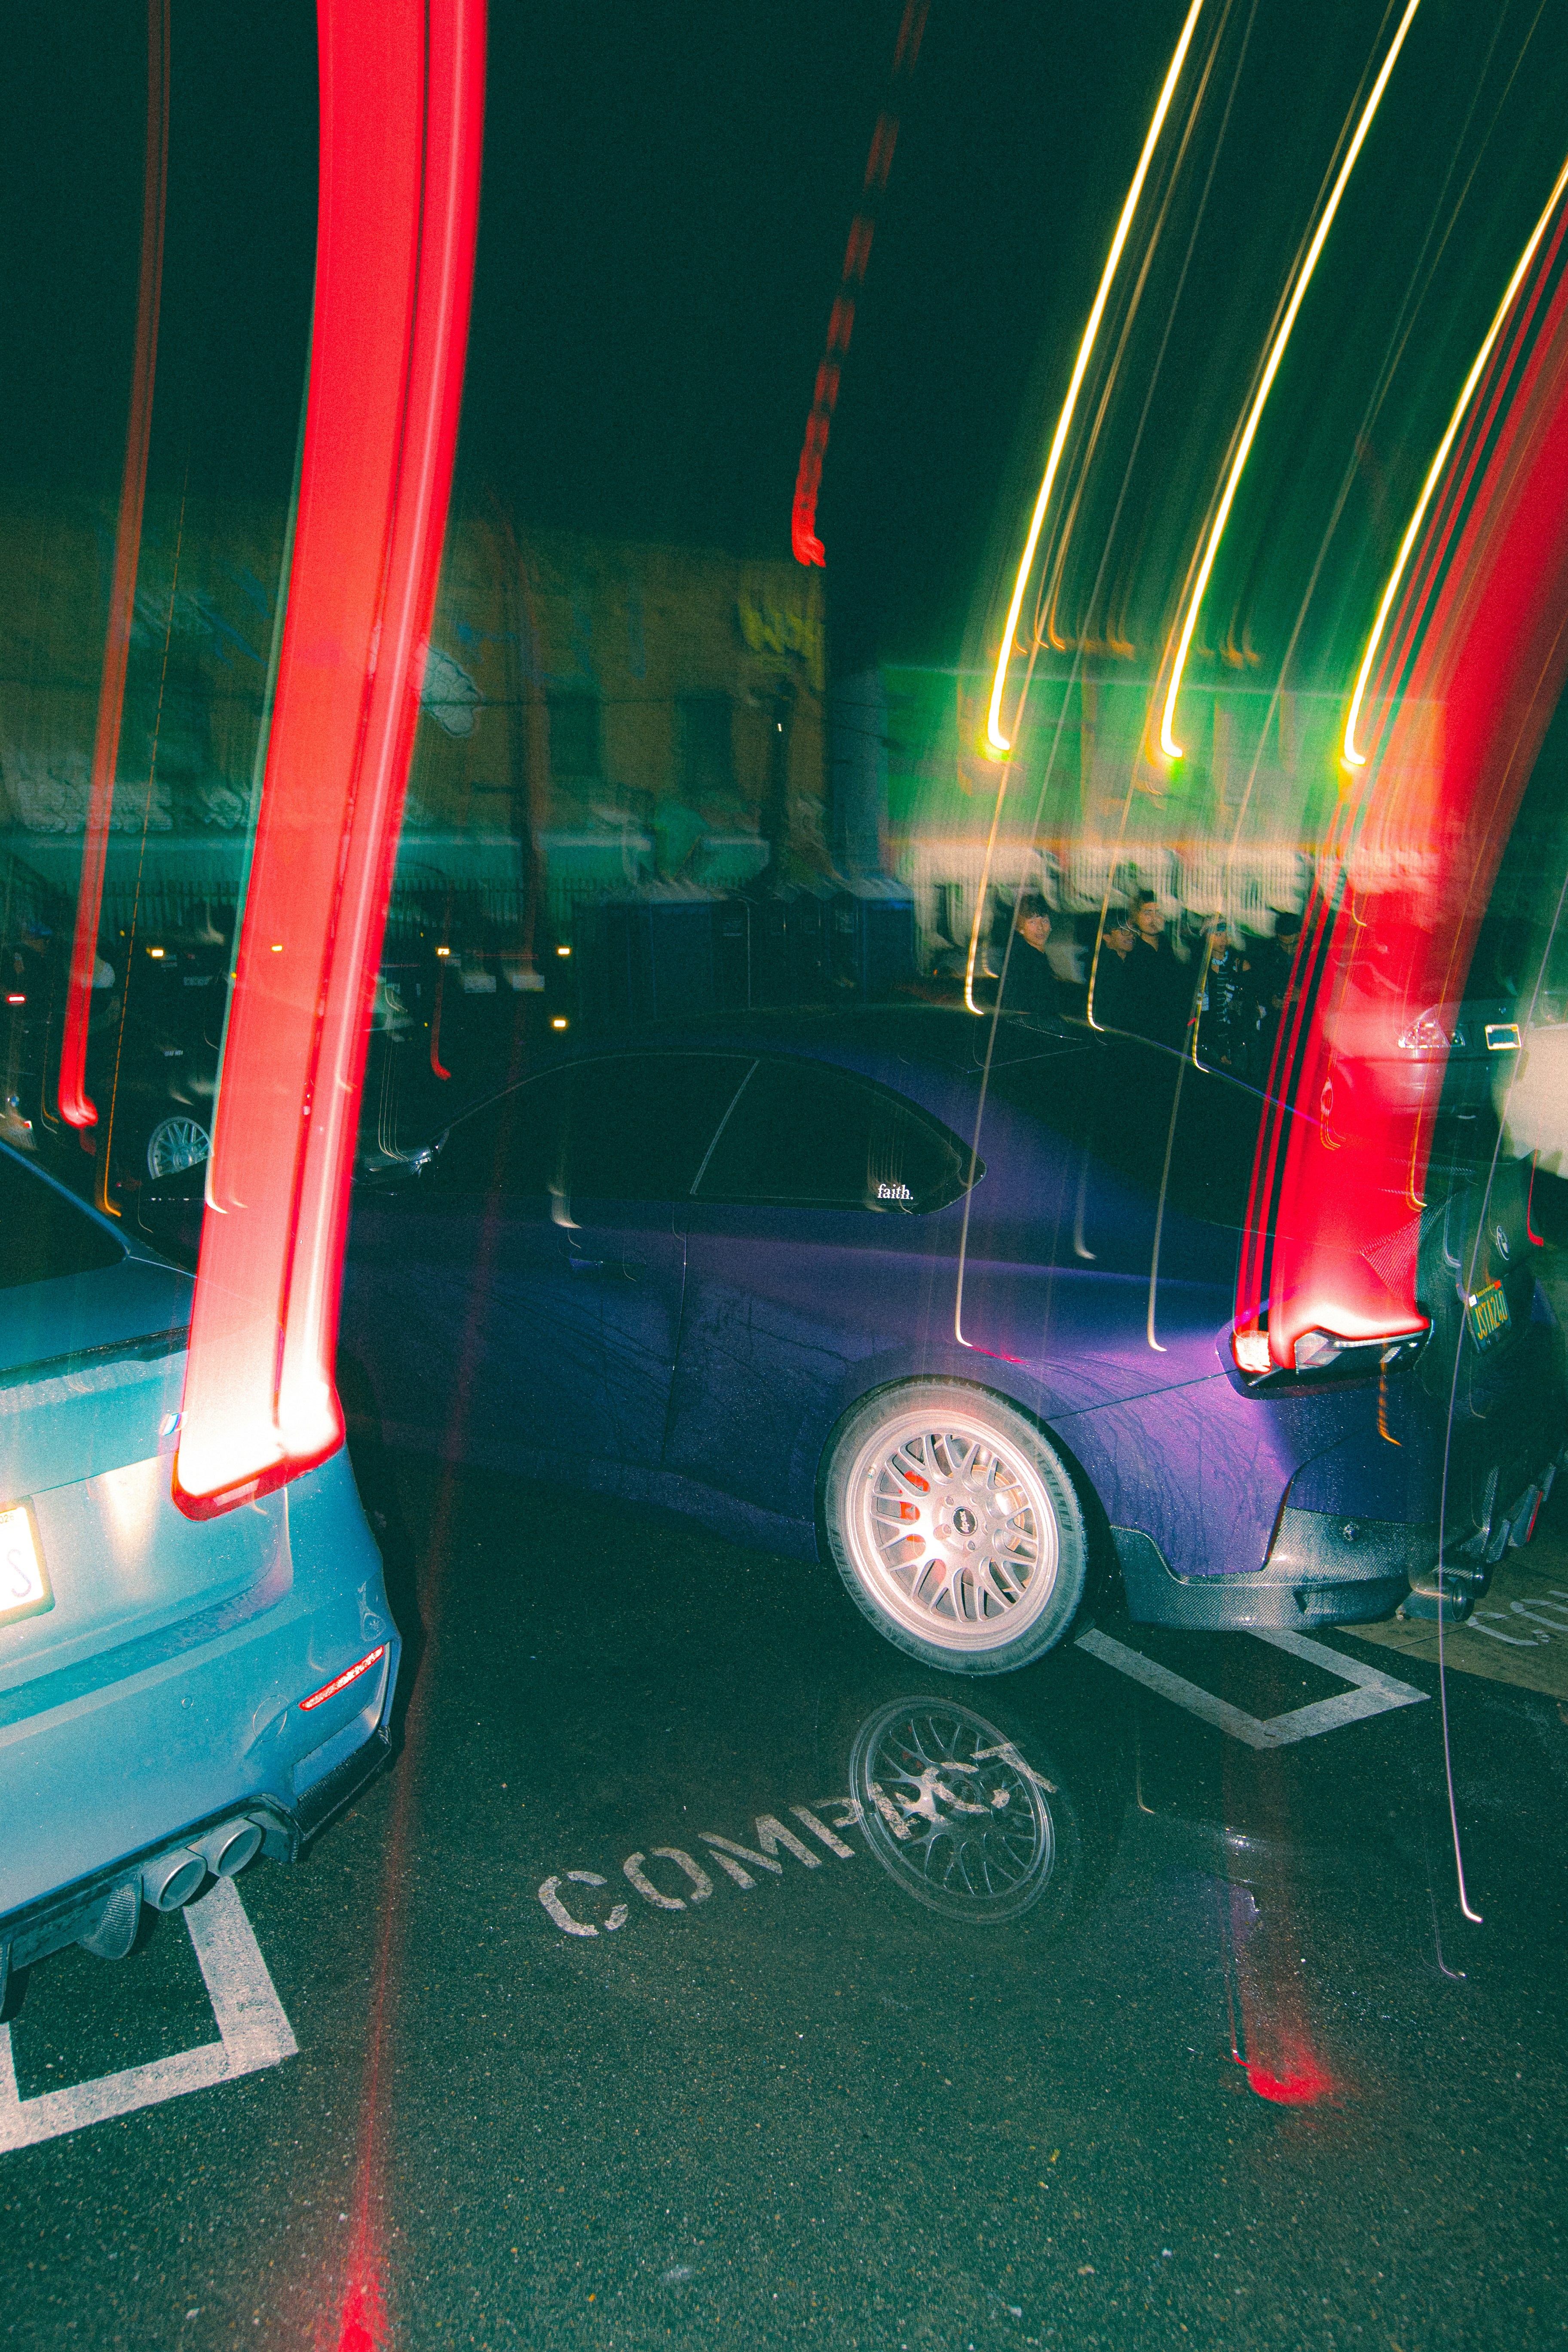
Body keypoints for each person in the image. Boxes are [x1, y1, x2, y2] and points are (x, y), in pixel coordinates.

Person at [1119, 889, 1188, 1047]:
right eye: (1148, 913)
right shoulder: (1132, 953)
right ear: (1136, 916)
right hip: (1144, 1036)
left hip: (1173, 1034)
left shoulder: (1171, 949)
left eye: (1159, 913)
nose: (1154, 919)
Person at [1194, 919, 1259, 1077]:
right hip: (1208, 1039)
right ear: (1208, 936)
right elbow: (1199, 1011)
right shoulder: (1198, 966)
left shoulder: (1241, 965)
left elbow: (1248, 1009)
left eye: (1228, 935)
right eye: (1218, 934)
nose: (1224, 939)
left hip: (1237, 1040)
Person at [1002, 892, 1060, 1018]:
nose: (1040, 928)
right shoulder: (1023, 960)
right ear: (1020, 928)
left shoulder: (1038, 955)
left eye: (1044, 921)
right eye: (1032, 922)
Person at [1089, 903, 1136, 1029]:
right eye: (1124, 931)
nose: (1131, 935)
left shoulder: (1133, 962)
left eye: (1132, 930)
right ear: (1107, 937)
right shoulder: (1104, 967)